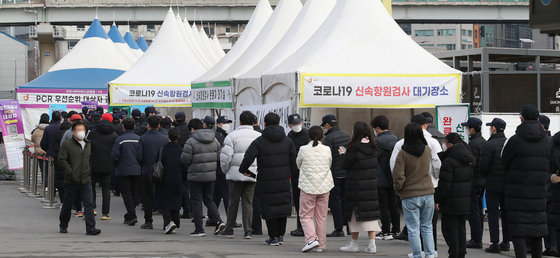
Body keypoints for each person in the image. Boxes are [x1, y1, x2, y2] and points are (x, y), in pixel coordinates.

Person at [239, 113, 296, 246]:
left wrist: (243, 170)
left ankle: (273, 237)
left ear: (264, 123)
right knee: (282, 206)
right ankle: (280, 236)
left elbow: (248, 157)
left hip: (266, 179)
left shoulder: (260, 140)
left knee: (269, 207)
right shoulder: (287, 140)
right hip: (283, 178)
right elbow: (293, 160)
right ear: (278, 122)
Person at [502, 105, 550, 258]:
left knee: (518, 231)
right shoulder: (547, 141)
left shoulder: (514, 140)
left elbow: (505, 163)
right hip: (539, 193)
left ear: (521, 118)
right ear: (538, 118)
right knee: (537, 231)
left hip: (518, 193)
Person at [391, 115, 442, 247]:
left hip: (409, 191)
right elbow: (437, 164)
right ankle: (431, 251)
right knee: (429, 225)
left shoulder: (400, 146)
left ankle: (418, 253)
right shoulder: (431, 144)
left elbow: (395, 169)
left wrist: (399, 187)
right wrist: (435, 179)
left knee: (413, 227)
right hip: (429, 188)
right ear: (424, 126)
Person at [339, 122, 381, 254]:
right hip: (371, 185)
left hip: (356, 185)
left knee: (353, 215)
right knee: (371, 214)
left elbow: (345, 165)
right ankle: (372, 244)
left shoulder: (354, 148)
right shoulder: (373, 146)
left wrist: (342, 154)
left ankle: (354, 243)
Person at [218, 111, 261, 239]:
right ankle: (248, 230)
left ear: (240, 121)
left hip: (235, 174)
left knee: (233, 202)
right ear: (253, 122)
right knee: (248, 203)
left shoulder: (232, 136)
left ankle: (229, 229)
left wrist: (226, 170)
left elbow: (225, 157)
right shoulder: (259, 135)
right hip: (252, 173)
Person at [181, 118, 225, 237]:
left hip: (195, 176)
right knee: (209, 199)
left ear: (192, 129)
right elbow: (218, 156)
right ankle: (219, 221)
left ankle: (199, 229)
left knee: (196, 201)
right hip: (210, 175)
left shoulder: (190, 141)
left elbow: (185, 159)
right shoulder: (214, 140)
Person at [58, 121, 101, 235]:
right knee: (68, 204)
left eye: (83, 130)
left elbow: (91, 160)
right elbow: (61, 160)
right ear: (73, 132)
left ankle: (91, 228)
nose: (81, 132)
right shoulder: (67, 144)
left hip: (86, 180)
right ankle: (63, 225)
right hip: (71, 180)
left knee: (89, 204)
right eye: (79, 130)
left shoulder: (88, 144)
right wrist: (70, 171)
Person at [436, 133, 473, 258]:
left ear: (450, 144)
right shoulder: (467, 157)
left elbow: (445, 185)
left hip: (451, 201)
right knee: (461, 229)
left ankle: (453, 253)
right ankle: (461, 253)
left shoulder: (449, 161)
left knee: (449, 230)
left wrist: (438, 200)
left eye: (445, 143)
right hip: (464, 200)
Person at [296, 125, 333, 253]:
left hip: (308, 187)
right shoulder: (327, 149)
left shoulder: (303, 149)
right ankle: (320, 245)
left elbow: (298, 164)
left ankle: (311, 239)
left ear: (309, 137)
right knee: (321, 217)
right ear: (322, 137)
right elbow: (329, 164)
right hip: (324, 186)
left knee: (305, 215)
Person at [479, 118, 511, 254]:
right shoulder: (509, 143)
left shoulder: (489, 145)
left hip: (492, 184)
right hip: (508, 184)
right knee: (506, 214)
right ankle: (506, 242)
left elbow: (483, 167)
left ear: (494, 129)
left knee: (492, 214)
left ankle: (495, 243)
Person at [321, 114, 351, 237]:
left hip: (334, 174)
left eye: (324, 126)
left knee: (335, 202)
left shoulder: (329, 138)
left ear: (327, 125)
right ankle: (350, 227)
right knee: (347, 200)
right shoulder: (346, 134)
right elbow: (345, 152)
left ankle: (339, 228)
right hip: (347, 173)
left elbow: (326, 157)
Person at [371, 115, 400, 240]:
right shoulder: (396, 139)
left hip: (380, 177)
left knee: (383, 206)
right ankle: (396, 230)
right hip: (393, 177)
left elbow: (373, 159)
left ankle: (385, 230)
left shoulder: (377, 142)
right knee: (393, 205)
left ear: (377, 128)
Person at [137, 115, 168, 229]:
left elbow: (139, 156)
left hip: (147, 171)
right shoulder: (164, 138)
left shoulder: (143, 138)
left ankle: (148, 221)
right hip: (161, 171)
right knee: (162, 196)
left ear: (148, 125)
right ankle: (166, 222)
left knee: (147, 197)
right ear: (159, 125)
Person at [460, 117, 486, 249]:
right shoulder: (483, 141)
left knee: (473, 210)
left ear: (472, 129)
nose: (466, 130)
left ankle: (476, 239)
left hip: (474, 181)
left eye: (467, 128)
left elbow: (473, 164)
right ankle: (478, 237)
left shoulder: (473, 144)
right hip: (482, 181)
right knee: (478, 211)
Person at [111, 118, 142, 226]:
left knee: (126, 194)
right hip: (137, 170)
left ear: (123, 127)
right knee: (134, 193)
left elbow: (115, 155)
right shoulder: (139, 139)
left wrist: (117, 165)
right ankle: (130, 214)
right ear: (134, 127)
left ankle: (131, 215)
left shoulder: (120, 139)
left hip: (123, 170)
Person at [156, 128, 186, 234]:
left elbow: (157, 162)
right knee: (176, 200)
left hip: (165, 178)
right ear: (178, 137)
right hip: (178, 178)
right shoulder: (182, 150)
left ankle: (168, 223)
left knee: (165, 201)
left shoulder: (162, 149)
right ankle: (175, 222)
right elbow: (185, 166)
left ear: (168, 137)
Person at [87, 119, 118, 220]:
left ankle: (92, 208)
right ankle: (105, 213)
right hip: (108, 165)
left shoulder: (92, 133)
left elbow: (88, 147)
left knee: (91, 188)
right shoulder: (114, 135)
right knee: (106, 190)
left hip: (93, 163)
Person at [203, 116, 229, 226]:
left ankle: (212, 218)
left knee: (216, 194)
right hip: (219, 169)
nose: (227, 124)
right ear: (218, 124)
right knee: (226, 194)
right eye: (225, 123)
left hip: (215, 169)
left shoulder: (222, 134)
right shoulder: (218, 136)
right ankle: (230, 219)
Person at [287, 113, 309, 237]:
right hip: (295, 173)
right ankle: (300, 226)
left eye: (298, 123)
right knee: (297, 200)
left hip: (306, 172)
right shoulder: (289, 136)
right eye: (294, 124)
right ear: (290, 125)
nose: (297, 125)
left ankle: (304, 227)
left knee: (305, 201)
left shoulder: (307, 135)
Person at [174, 111, 192, 219]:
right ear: (185, 119)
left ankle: (186, 210)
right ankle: (191, 210)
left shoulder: (176, 131)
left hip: (180, 161)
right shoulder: (190, 130)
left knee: (183, 187)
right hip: (192, 161)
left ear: (176, 120)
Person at [548, 131, 560, 256]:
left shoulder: (554, 142)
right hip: (556, 190)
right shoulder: (555, 142)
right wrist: (551, 176)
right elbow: (547, 166)